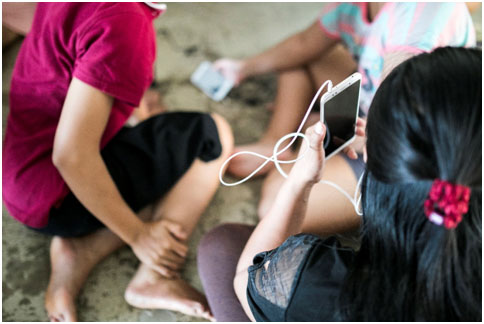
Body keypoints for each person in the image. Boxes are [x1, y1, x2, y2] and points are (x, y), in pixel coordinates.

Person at [198, 46, 482, 321]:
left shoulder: (321, 287)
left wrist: (299, 182)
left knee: (221, 245)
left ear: (368, 157)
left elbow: (246, 279)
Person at [2, 3, 233, 321]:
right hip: (60, 196)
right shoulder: (125, 23)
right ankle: (155, 274)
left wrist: (121, 85)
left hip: (24, 179)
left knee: (154, 137)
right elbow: (71, 155)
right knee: (212, 134)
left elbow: (49, 30)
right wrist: (139, 235)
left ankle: (79, 250)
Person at [215, 2, 476, 237]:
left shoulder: (422, 16)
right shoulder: (354, 5)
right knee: (304, 58)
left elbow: (393, 131)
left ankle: (303, 145)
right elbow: (304, 44)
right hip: (373, 102)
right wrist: (242, 68)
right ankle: (276, 143)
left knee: (276, 203)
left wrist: (332, 145)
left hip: (407, 152)